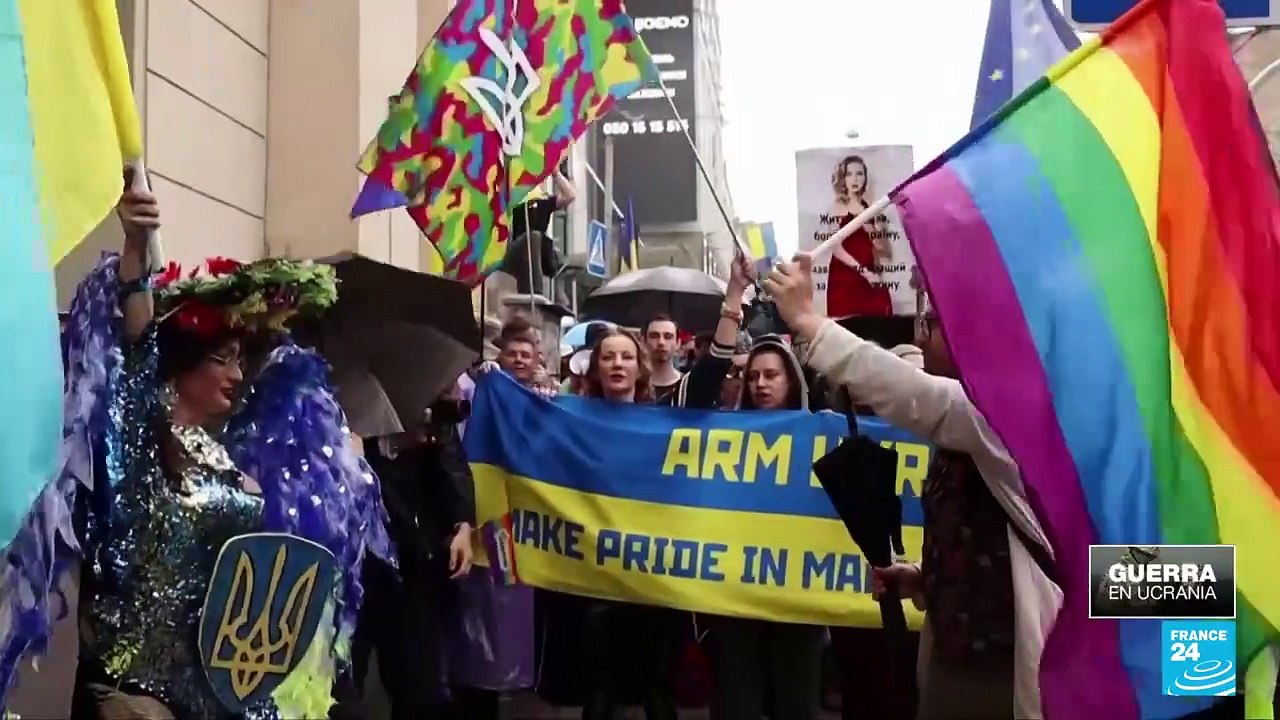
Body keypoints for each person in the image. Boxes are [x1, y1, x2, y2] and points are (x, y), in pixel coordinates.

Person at [65, 184, 387, 719]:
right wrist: (136, 250)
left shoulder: (224, 454)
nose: (238, 375)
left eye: (241, 360)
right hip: (140, 697)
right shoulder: (141, 439)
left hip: (217, 696)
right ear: (182, 366)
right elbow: (138, 347)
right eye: (223, 358)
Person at [762, 254, 1061, 720]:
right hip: (953, 654)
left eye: (934, 322)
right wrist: (925, 577)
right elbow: (984, 539)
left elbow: (916, 396)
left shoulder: (1004, 412)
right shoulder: (965, 435)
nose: (921, 335)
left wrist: (808, 321)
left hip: (1001, 669)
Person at [351, 386, 475, 720]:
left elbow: (452, 464)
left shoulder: (426, 395)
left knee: (420, 685)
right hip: (350, 566)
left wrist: (462, 524)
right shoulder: (330, 400)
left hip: (413, 559)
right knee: (343, 688)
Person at [577, 328, 679, 720]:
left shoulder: (662, 423)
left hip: (650, 561)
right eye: (608, 357)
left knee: (655, 682)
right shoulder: (572, 417)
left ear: (640, 368)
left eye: (625, 357)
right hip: (594, 563)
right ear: (596, 368)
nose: (617, 364)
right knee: (600, 690)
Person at [826, 155, 893, 318]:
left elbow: (881, 247)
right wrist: (864, 272)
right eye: (849, 174)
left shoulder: (870, 209)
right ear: (843, 178)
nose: (855, 179)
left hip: (869, 275)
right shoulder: (838, 208)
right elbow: (835, 248)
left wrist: (869, 222)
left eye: (860, 174)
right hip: (845, 278)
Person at [644, 314, 683, 403]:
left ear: (678, 343)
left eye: (668, 337)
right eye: (654, 336)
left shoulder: (686, 386)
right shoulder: (632, 384)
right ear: (644, 341)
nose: (661, 342)